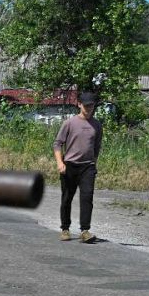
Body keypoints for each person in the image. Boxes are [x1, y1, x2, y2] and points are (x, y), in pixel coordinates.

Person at [54, 90, 103, 243]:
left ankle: (85, 230)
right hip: (70, 166)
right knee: (67, 198)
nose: (89, 108)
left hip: (87, 167)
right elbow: (57, 144)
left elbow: (96, 146)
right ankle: (65, 228)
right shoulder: (69, 123)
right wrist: (60, 163)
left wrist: (94, 162)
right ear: (79, 104)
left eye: (92, 106)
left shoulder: (97, 125)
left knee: (87, 197)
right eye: (86, 105)